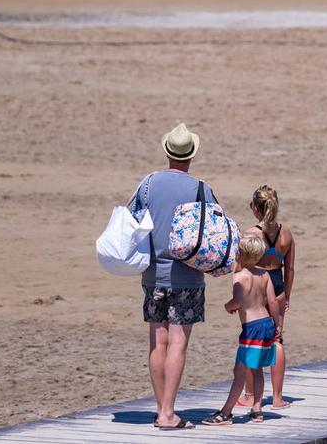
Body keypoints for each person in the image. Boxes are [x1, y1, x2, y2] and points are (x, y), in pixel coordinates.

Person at [126, 123, 219, 431]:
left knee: (158, 340)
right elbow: (215, 231)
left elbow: (131, 219)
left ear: (167, 152)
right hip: (187, 277)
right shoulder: (199, 188)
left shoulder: (149, 183)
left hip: (153, 274)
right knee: (178, 341)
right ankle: (168, 412)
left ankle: (160, 408)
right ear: (191, 156)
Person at [201, 235, 282, 427]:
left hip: (251, 328)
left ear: (240, 253)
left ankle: (226, 412)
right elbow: (273, 302)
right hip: (266, 323)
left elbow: (237, 301)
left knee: (240, 371)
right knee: (258, 369)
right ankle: (257, 409)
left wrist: (227, 307)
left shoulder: (240, 276)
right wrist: (277, 324)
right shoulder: (264, 274)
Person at [238, 185, 296, 410]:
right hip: (278, 286)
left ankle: (251, 395)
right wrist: (287, 295)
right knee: (276, 340)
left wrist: (237, 296)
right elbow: (290, 269)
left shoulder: (250, 234)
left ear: (256, 209)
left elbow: (240, 266)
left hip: (257, 288)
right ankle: (278, 398)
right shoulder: (286, 233)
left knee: (253, 341)